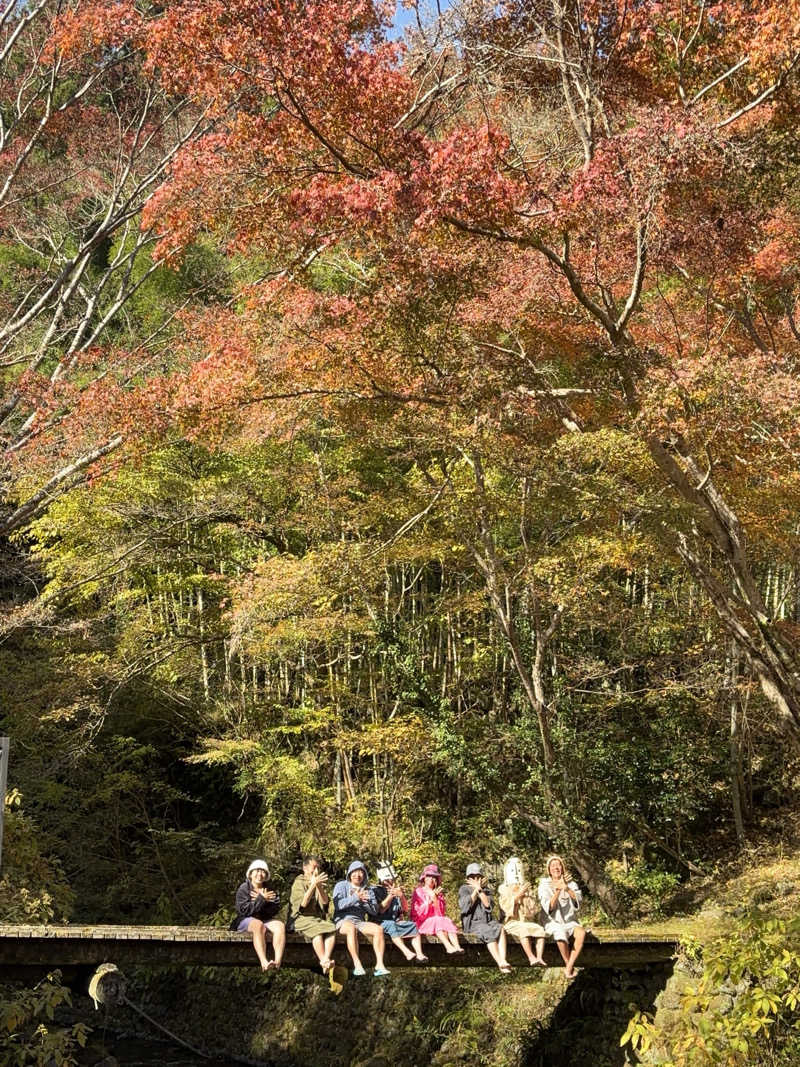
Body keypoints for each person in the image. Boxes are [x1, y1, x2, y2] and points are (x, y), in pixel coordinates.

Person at [332, 859, 390, 977]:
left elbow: (374, 911)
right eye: (354, 872)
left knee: (378, 930)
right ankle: (357, 964)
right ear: (350, 873)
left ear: (364, 875)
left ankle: (379, 965)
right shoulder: (341, 885)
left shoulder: (368, 890)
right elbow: (338, 905)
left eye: (361, 872)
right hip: (343, 920)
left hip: (359, 921)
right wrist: (356, 898)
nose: (357, 875)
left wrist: (366, 902)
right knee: (350, 928)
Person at [231, 859, 286, 971]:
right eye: (257, 871)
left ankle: (277, 962)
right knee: (258, 925)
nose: (260, 874)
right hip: (245, 920)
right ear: (251, 873)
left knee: (280, 926)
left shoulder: (269, 889)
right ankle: (264, 962)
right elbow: (244, 910)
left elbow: (274, 909)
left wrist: (263, 902)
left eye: (263, 871)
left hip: (264, 919)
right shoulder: (244, 888)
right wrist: (261, 899)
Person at [537, 854, 586, 978]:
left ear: (562, 868)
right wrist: (558, 890)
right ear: (549, 870)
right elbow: (549, 907)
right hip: (552, 922)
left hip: (570, 921)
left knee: (581, 933)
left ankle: (568, 967)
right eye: (553, 866)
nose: (556, 868)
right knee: (560, 933)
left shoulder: (571, 883)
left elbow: (578, 901)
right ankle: (569, 966)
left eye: (558, 865)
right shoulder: (544, 885)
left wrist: (566, 888)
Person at [458, 862, 511, 973]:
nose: (476, 879)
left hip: (487, 921)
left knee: (500, 928)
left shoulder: (486, 890)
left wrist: (480, 890)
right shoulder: (464, 889)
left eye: (478, 877)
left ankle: (503, 959)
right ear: (468, 878)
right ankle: (500, 963)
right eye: (473, 877)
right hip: (473, 924)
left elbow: (487, 905)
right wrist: (475, 890)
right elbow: (466, 906)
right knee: (487, 931)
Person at [289, 855, 337, 975]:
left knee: (331, 928)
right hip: (300, 918)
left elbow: (325, 905)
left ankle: (326, 959)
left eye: (318, 868)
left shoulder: (318, 882)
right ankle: (324, 961)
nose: (316, 871)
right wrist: (312, 885)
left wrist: (319, 887)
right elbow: (302, 905)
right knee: (318, 930)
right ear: (305, 868)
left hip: (316, 919)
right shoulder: (299, 882)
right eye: (314, 867)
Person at [373, 862, 428, 963]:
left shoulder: (396, 890)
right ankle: (406, 952)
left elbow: (405, 909)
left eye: (392, 879)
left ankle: (419, 954)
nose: (390, 881)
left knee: (413, 925)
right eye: (388, 879)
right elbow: (381, 910)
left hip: (395, 922)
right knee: (391, 924)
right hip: (379, 922)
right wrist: (390, 895)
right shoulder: (375, 890)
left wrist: (401, 896)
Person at [498, 856, 547, 966]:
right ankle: (531, 957)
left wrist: (526, 897)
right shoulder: (503, 889)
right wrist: (518, 895)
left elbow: (532, 910)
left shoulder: (527, 888)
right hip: (511, 922)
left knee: (540, 930)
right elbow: (506, 908)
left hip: (526, 921)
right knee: (523, 930)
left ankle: (539, 957)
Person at [410, 863, 463, 953]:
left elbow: (440, 914)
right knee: (436, 920)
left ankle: (457, 947)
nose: (431, 879)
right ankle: (448, 946)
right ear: (424, 878)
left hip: (437, 922)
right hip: (422, 922)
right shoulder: (418, 891)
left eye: (434, 877)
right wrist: (430, 900)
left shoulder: (439, 894)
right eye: (429, 876)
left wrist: (435, 899)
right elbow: (417, 913)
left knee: (446, 920)